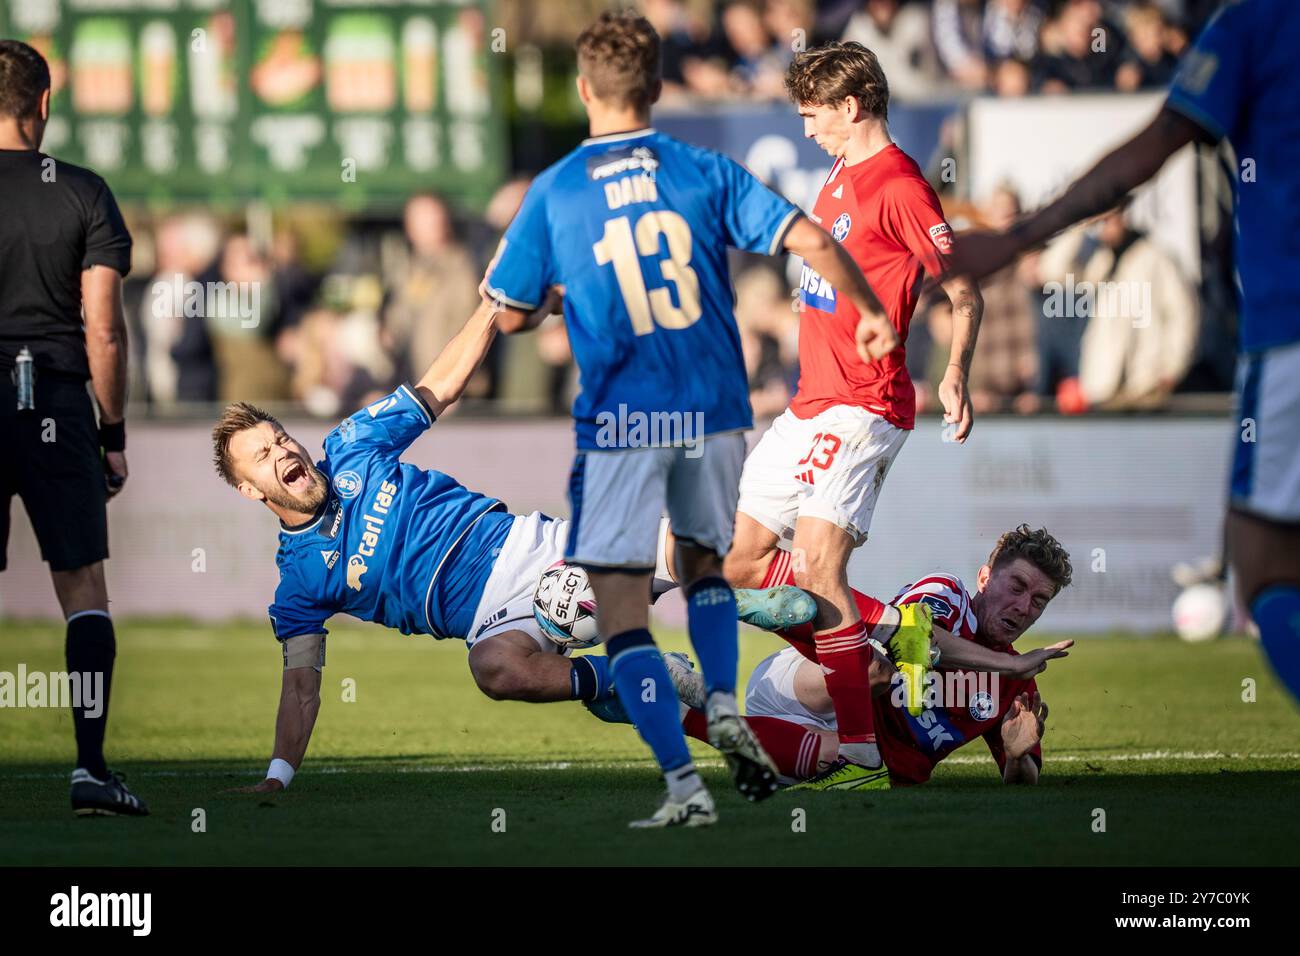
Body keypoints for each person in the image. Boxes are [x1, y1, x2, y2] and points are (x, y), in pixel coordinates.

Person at [486, 11, 900, 827]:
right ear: (659, 89)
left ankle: (691, 769)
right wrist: (869, 309)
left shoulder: (559, 188)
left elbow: (507, 316)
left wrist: (570, 293)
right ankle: (749, 672)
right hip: (713, 410)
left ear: (581, 91)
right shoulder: (702, 171)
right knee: (717, 565)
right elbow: (809, 239)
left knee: (624, 596)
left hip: (624, 416)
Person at [213, 302, 813, 796]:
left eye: (281, 438)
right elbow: (301, 686)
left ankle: (824, 621)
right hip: (493, 621)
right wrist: (277, 776)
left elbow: (438, 386)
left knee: (696, 554)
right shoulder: (298, 584)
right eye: (263, 457)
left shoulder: (351, 447)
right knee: (493, 670)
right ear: (249, 490)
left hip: (533, 549)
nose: (284, 453)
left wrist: (490, 305)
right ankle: (635, 677)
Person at [945, 0, 1300, 706]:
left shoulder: (1257, 23)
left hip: (1287, 328)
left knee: (1262, 568)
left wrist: (1018, 237)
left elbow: (1151, 147)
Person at [721, 40, 984, 791]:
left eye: (813, 117)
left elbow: (964, 290)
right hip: (809, 404)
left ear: (851, 106)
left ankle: (868, 748)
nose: (806, 132)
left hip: (866, 405)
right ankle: (889, 635)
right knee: (736, 565)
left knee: (814, 566)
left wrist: (955, 372)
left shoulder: (900, 186)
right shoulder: (838, 174)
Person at [636, 526, 1074, 787]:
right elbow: (927, 642)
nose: (1023, 606)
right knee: (877, 667)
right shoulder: (949, 594)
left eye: (1039, 601)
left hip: (837, 748)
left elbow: (1024, 783)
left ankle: (676, 706)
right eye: (1017, 587)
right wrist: (1011, 663)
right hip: (809, 688)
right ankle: (758, 603)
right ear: (984, 577)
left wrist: (1017, 756)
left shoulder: (1018, 686)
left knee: (854, 767)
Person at [0, 40, 145, 816]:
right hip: (52, 402)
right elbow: (105, 333)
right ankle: (90, 770)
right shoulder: (82, 193)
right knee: (83, 588)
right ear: (45, 104)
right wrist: (112, 431)